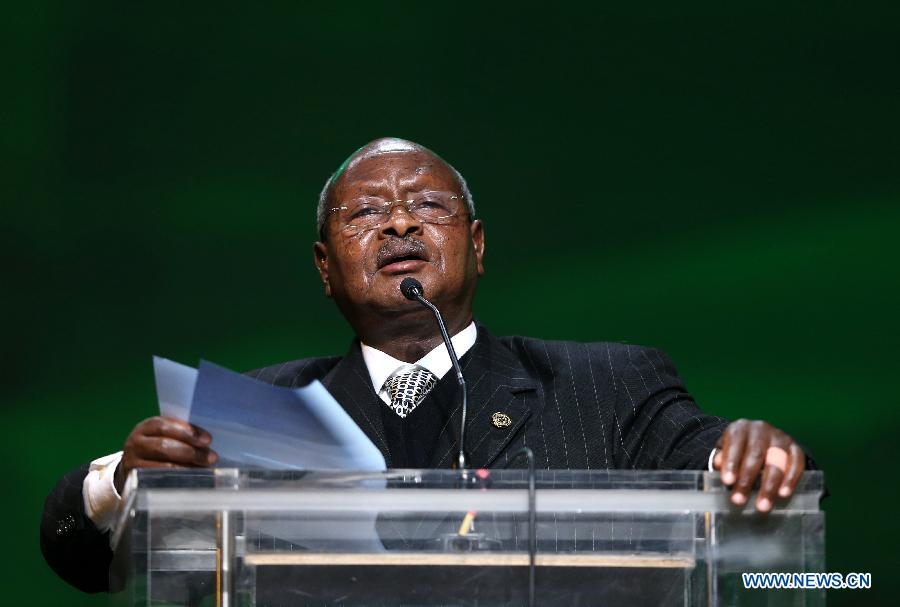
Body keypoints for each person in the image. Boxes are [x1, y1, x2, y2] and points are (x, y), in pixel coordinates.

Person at [41, 138, 812, 593]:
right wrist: (125, 477)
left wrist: (746, 453)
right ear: (323, 265)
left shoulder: (603, 384)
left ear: (476, 245)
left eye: (430, 208)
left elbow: (704, 454)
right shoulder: (254, 411)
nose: (402, 220)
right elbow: (80, 554)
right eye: (367, 212)